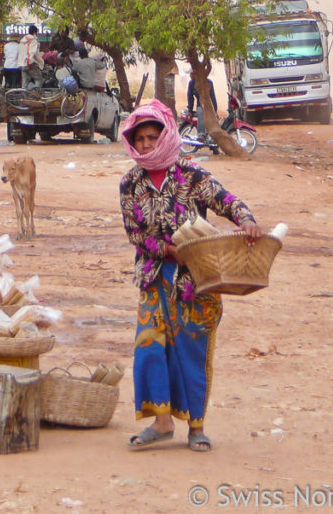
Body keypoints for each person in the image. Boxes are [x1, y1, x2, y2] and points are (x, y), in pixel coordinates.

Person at [118, 100, 262, 452]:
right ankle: (162, 422)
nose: (148, 144)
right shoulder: (129, 184)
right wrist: (166, 250)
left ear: (167, 135)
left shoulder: (192, 174)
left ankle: (196, 426)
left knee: (191, 349)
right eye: (141, 139)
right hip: (154, 276)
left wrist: (246, 220)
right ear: (132, 143)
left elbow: (226, 200)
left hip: (195, 277)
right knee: (150, 347)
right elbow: (135, 233)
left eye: (154, 136)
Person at [186, 73, 219, 139]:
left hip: (209, 105)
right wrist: (190, 110)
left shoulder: (209, 82)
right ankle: (201, 134)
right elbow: (190, 98)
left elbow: (213, 97)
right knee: (201, 113)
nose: (190, 75)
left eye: (192, 73)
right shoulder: (191, 83)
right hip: (200, 105)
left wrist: (215, 110)